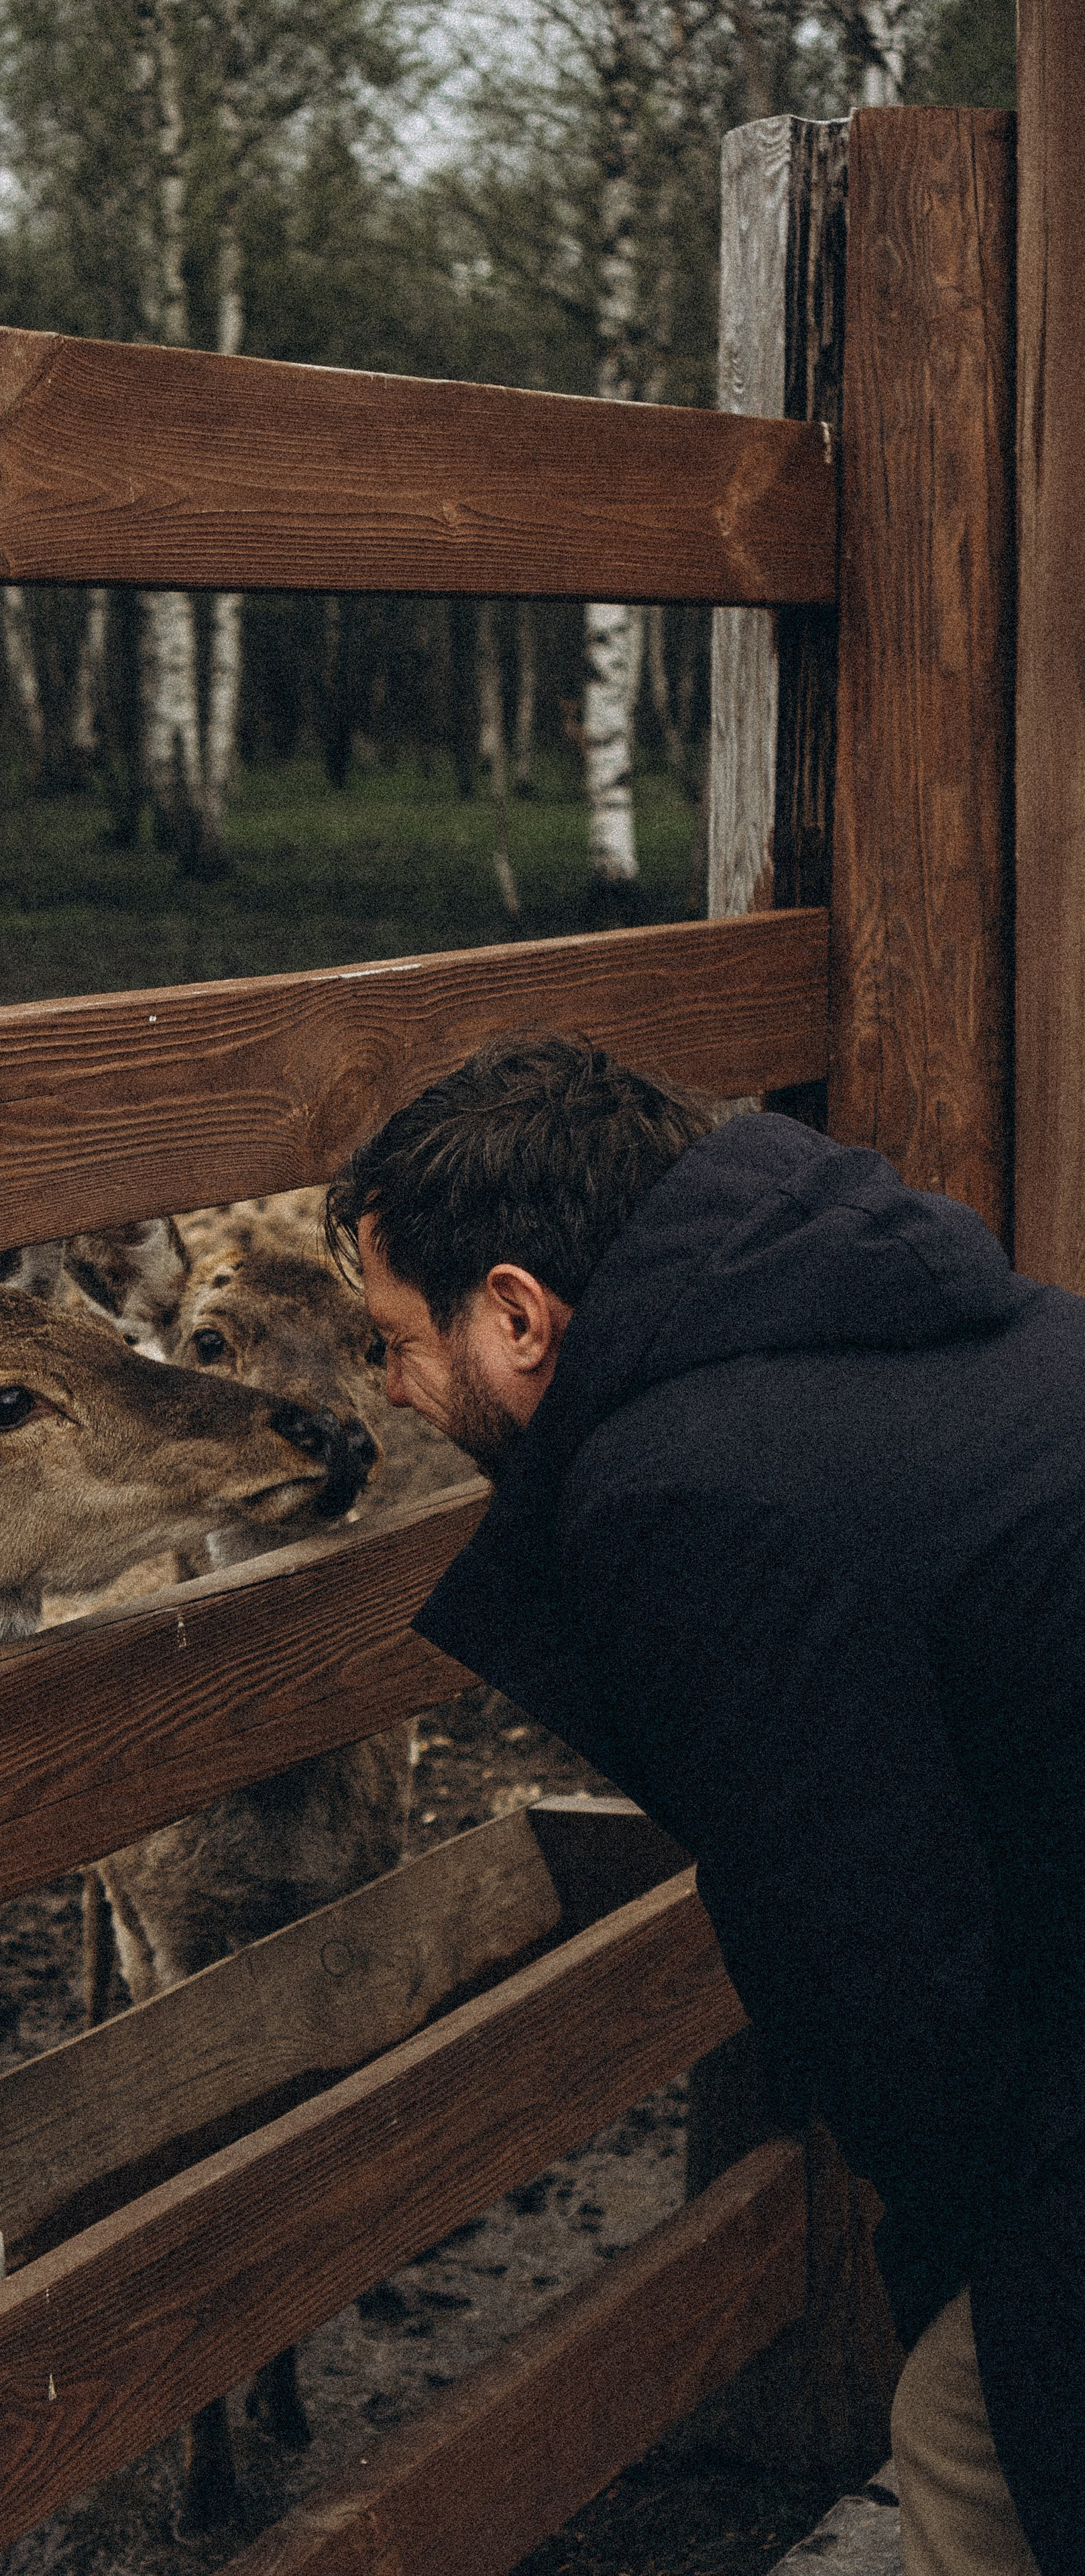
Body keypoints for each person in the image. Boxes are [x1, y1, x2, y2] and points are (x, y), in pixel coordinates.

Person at [323, 1030, 1084, 2576]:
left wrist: (975, 2257)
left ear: (520, 1315)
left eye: (392, 1339)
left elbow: (871, 1956)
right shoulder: (946, 1318)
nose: (387, 1391)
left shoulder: (690, 1497)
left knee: (969, 2436)